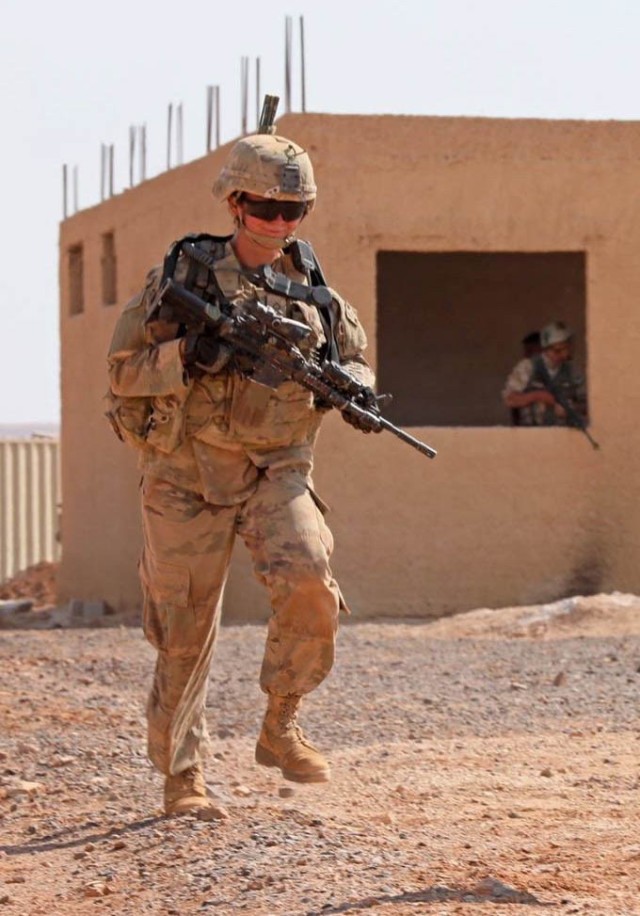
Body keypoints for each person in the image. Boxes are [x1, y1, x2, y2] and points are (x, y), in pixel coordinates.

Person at [105, 122, 376, 816]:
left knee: (311, 579)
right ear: (234, 204)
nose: (278, 223)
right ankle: (182, 778)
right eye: (265, 208)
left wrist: (353, 389)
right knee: (184, 628)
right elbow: (120, 371)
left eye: (294, 211)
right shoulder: (182, 278)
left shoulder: (314, 291)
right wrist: (185, 358)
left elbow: (356, 357)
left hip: (273, 469)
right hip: (186, 473)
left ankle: (281, 722)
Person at [502, 321, 586, 427]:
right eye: (558, 350)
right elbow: (510, 400)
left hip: (563, 434)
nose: (564, 355)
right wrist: (539, 396)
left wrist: (570, 409)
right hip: (531, 433)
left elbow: (586, 405)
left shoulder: (572, 371)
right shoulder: (527, 367)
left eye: (566, 348)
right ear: (546, 349)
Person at [509, 331, 541, 425]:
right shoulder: (522, 374)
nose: (527, 355)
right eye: (526, 351)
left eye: (531, 351)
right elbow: (513, 404)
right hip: (527, 427)